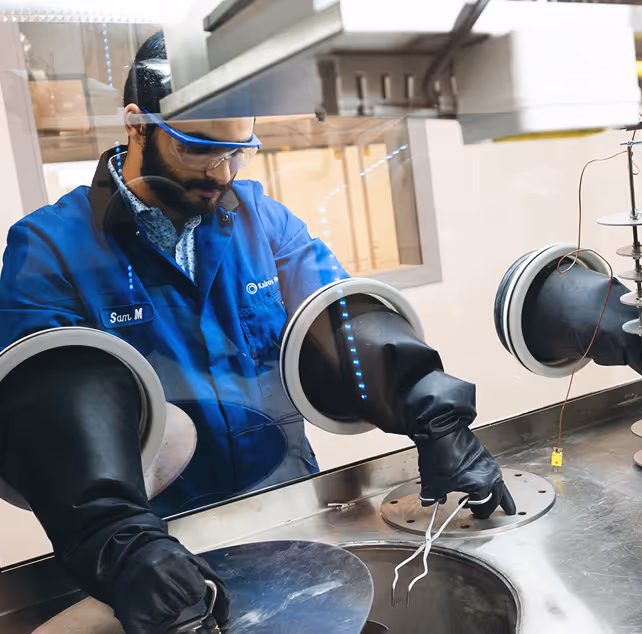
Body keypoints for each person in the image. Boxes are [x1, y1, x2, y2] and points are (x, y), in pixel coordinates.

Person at [0, 32, 513, 632]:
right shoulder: (50, 250)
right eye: (199, 151)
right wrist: (119, 542)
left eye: (237, 152)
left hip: (290, 513)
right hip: (166, 553)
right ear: (137, 125)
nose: (221, 174)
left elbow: (345, 325)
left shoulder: (263, 223)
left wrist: (430, 411)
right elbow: (47, 420)